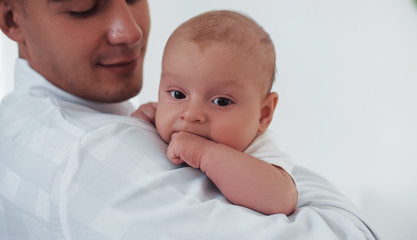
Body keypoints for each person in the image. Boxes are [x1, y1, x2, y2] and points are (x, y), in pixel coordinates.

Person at [0, 0, 378, 239]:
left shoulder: (17, 117)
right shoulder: (90, 152)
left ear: (265, 114)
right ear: (11, 18)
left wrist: (202, 152)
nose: (129, 31)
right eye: (83, 7)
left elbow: (281, 194)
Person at [132, 10, 297, 216]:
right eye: (178, 94)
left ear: (263, 114)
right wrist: (137, 125)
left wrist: (206, 155)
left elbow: (281, 199)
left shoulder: (258, 151)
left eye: (221, 101)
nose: (191, 114)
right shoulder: (159, 122)